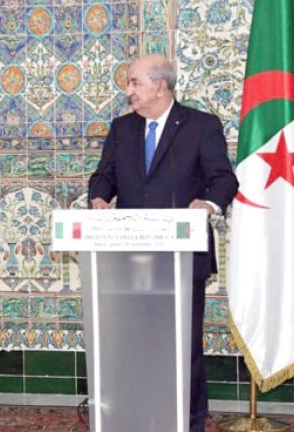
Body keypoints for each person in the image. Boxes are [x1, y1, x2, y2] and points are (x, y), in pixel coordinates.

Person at [88, 54, 238, 432]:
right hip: (129, 257)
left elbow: (223, 179)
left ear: (160, 86)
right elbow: (104, 175)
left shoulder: (200, 125)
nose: (128, 91)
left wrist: (208, 204)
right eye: (129, 83)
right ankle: (135, 417)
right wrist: (99, 198)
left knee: (182, 346)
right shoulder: (122, 129)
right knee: (134, 342)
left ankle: (189, 422)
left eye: (134, 82)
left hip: (180, 257)